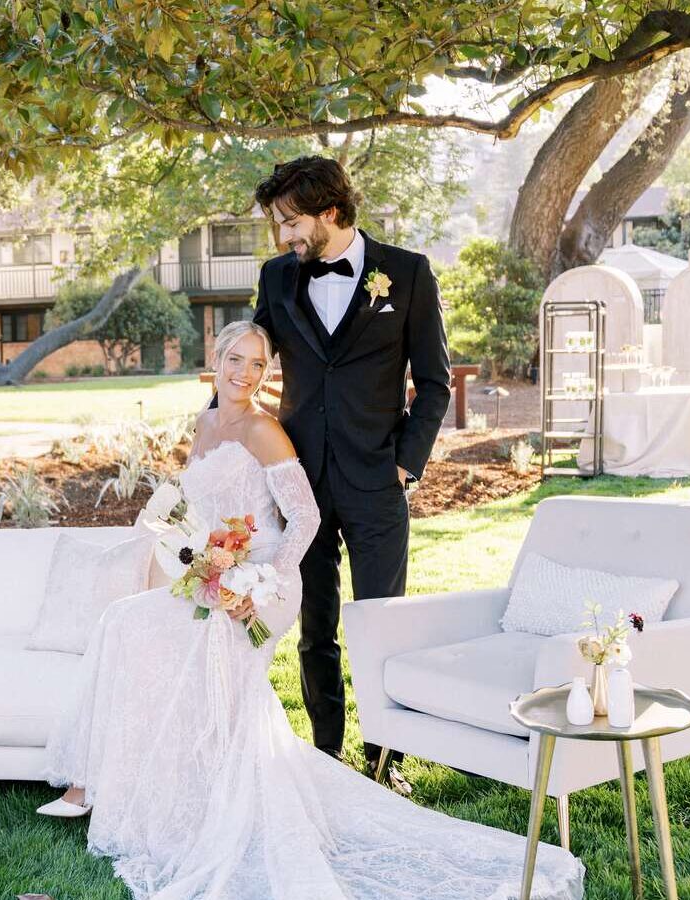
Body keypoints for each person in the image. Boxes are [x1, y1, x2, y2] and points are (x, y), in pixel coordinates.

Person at [35, 322, 582, 900]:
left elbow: (306, 519)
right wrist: (195, 558)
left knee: (171, 648)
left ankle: (152, 796)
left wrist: (260, 579)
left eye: (258, 365)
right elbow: (195, 510)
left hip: (265, 581)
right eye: (236, 360)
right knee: (126, 624)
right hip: (216, 574)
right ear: (216, 360)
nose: (245, 373)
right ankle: (107, 786)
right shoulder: (204, 423)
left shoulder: (264, 431)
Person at [249, 156, 452, 769]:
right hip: (301, 486)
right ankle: (327, 757)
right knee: (315, 631)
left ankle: (385, 760)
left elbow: (435, 383)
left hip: (377, 483)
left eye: (289, 223)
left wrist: (404, 465)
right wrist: (221, 435)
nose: (283, 237)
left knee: (381, 628)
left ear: (330, 212)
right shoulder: (277, 278)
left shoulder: (409, 274)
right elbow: (247, 364)